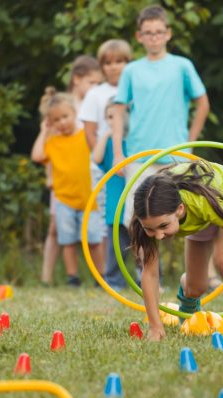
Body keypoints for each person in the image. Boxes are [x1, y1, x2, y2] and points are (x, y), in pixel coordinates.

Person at [129, 160, 223, 341]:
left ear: (180, 210)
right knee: (195, 288)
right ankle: (187, 299)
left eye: (163, 226)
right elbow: (150, 274)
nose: (158, 236)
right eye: (150, 229)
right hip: (199, 216)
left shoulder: (202, 202)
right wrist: (155, 327)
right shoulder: (147, 216)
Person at [111, 4, 210, 228]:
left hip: (177, 155)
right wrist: (118, 153)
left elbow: (203, 103)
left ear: (168, 33)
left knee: (188, 215)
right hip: (139, 155)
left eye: (158, 32)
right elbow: (118, 111)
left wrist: (190, 142)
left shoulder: (182, 66)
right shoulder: (131, 70)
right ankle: (147, 265)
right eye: (148, 33)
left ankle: (198, 263)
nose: (154, 38)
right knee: (136, 219)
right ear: (139, 36)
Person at [39, 55, 102, 286]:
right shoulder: (62, 107)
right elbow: (48, 152)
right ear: (77, 80)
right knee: (58, 229)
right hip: (63, 183)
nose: (96, 88)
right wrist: (49, 177)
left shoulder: (93, 105)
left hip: (87, 183)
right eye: (92, 83)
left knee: (94, 232)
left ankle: (101, 276)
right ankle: (51, 277)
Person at [79, 40, 132, 280]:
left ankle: (143, 272)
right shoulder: (95, 93)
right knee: (108, 220)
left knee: (133, 216)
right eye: (108, 63)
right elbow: (90, 132)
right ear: (101, 67)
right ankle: (109, 275)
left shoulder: (133, 89)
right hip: (105, 164)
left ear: (128, 63)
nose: (113, 67)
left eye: (119, 62)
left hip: (132, 161)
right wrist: (104, 161)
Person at [92, 99, 129, 290]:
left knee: (144, 244)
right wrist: (107, 135)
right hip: (115, 204)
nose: (113, 121)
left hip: (134, 204)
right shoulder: (108, 145)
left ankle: (149, 279)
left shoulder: (133, 142)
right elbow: (96, 158)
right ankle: (114, 281)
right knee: (116, 247)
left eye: (117, 116)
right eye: (109, 117)